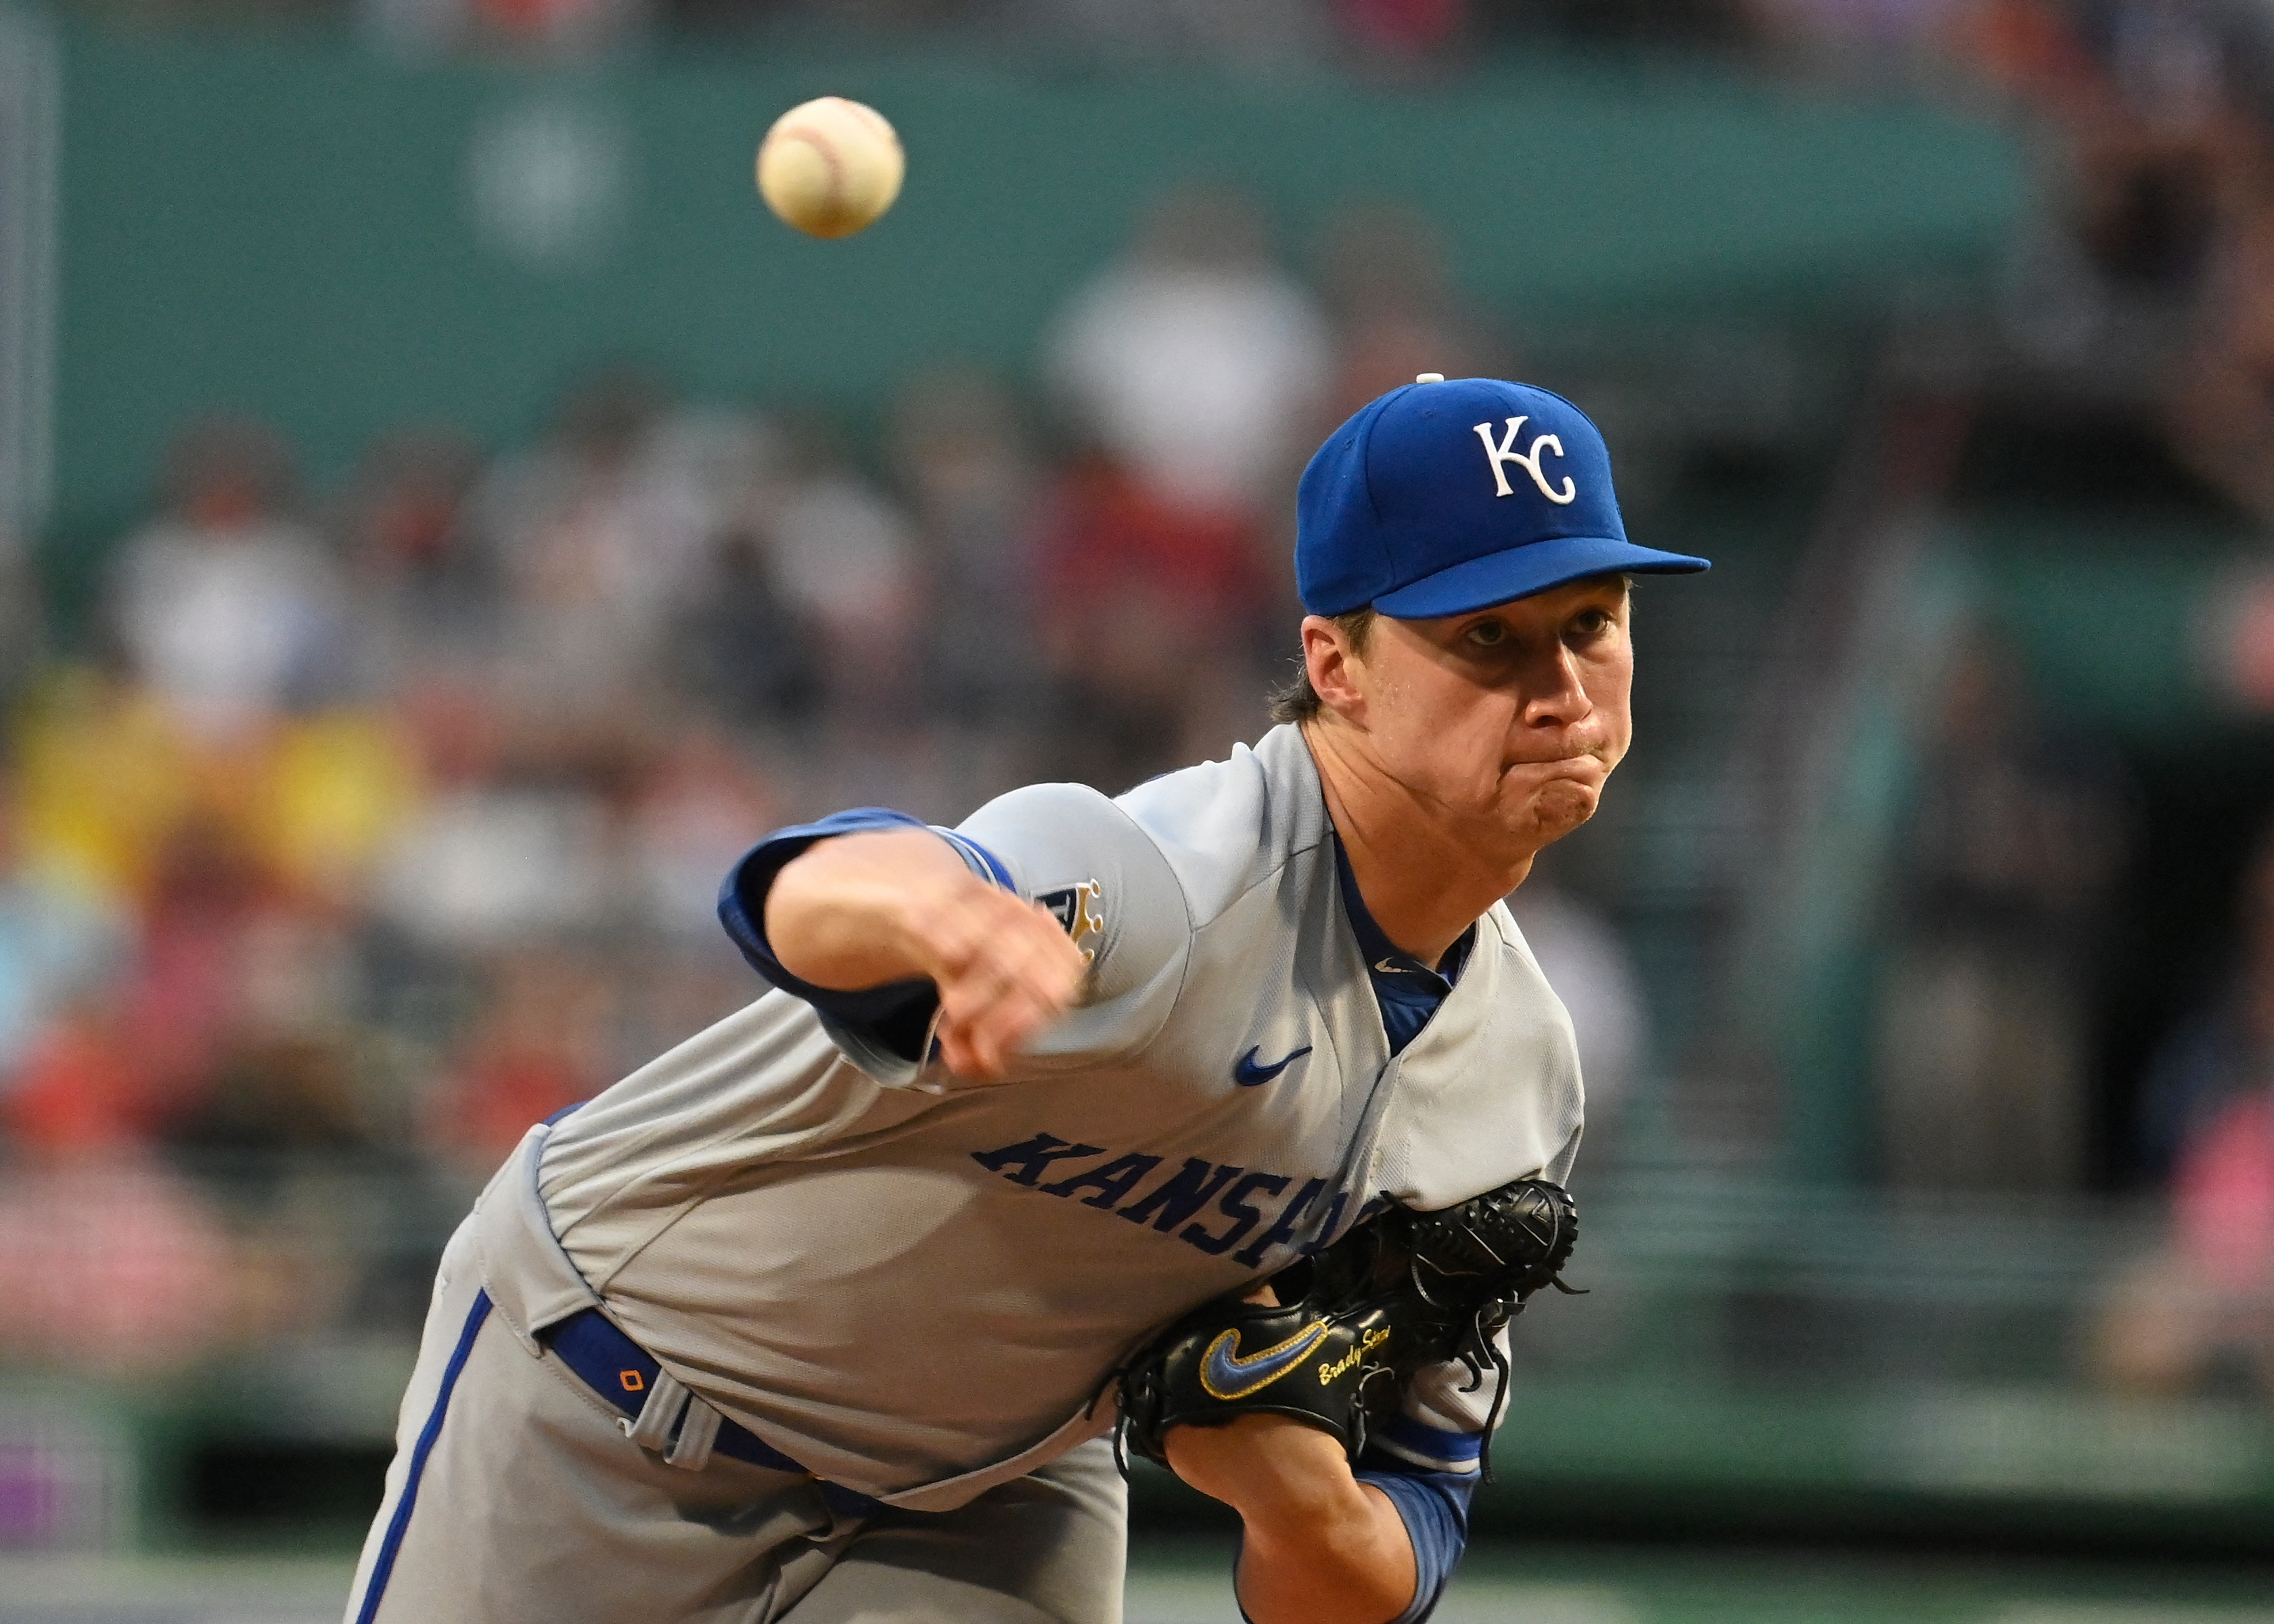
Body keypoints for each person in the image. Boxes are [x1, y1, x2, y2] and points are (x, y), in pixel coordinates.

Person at [343, 374, 1708, 1624]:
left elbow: (1373, 1580)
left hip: (986, 1499)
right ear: (1338, 667)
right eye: (1486, 638)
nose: (1560, 689)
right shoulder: (1172, 879)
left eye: (1592, 624)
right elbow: (797, 896)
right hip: (610, 1390)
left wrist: (1291, 1490)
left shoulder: (1518, 1074)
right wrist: (919, 905)